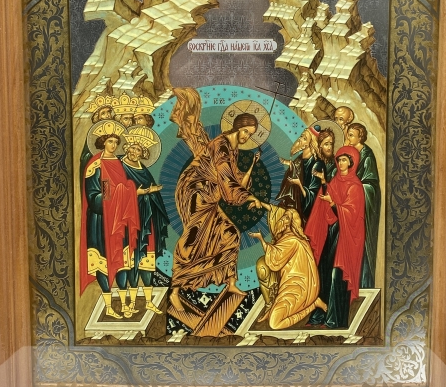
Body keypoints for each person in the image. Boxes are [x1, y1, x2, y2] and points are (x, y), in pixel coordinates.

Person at [170, 112, 261, 311]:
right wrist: (248, 197)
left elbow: (235, 179)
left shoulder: (232, 148)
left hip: (210, 196)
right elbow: (227, 179)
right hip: (196, 192)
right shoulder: (222, 145)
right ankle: (174, 292)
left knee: (230, 233)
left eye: (250, 134)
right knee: (191, 241)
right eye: (245, 131)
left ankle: (231, 283)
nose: (247, 136)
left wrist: (250, 170)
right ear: (237, 127)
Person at [79, 124, 141, 319]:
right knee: (103, 263)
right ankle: (109, 306)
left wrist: (129, 190)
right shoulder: (95, 166)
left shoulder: (122, 164)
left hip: (120, 220)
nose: (113, 145)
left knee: (123, 262)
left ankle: (124, 304)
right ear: (102, 143)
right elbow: (95, 197)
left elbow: (128, 186)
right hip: (101, 222)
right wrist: (120, 193)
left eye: (116, 141)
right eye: (110, 141)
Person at [305, 146, 366, 328]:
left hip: (346, 236)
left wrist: (332, 203)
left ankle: (334, 319)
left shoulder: (355, 186)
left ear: (352, 162)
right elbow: (329, 198)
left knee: (336, 275)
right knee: (323, 272)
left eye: (344, 160)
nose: (340, 163)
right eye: (339, 160)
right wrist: (324, 183)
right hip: (333, 232)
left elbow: (351, 213)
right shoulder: (335, 181)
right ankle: (319, 316)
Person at [249, 203, 326, 330]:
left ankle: (313, 305)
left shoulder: (292, 241)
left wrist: (261, 239)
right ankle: (274, 307)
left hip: (299, 288)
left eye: (286, 218)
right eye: (284, 216)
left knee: (274, 323)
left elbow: (275, 259)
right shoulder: (288, 237)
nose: (282, 219)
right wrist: (259, 202)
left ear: (291, 223)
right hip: (291, 284)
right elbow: (274, 211)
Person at [120, 136, 170, 316]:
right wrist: (138, 192)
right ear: (127, 148)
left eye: (139, 150)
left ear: (143, 154)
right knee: (132, 261)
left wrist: (152, 192)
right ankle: (131, 302)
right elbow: (113, 192)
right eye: (133, 148)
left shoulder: (144, 169)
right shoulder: (119, 167)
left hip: (147, 219)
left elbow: (150, 190)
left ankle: (148, 302)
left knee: (146, 261)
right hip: (128, 221)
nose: (135, 152)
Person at [345, 123, 381, 289]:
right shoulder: (348, 153)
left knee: (362, 247)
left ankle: (363, 284)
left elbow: (370, 184)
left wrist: (356, 190)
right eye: (348, 134)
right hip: (350, 209)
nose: (348, 138)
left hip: (363, 208)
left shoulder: (367, 155)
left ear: (361, 137)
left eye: (352, 135)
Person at [276, 125, 324, 225]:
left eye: (305, 138)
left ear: (311, 143)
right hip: (293, 204)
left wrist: (299, 184)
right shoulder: (299, 158)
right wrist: (291, 165)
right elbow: (296, 171)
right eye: (301, 136)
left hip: (304, 212)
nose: (300, 139)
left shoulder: (316, 164)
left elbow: (313, 195)